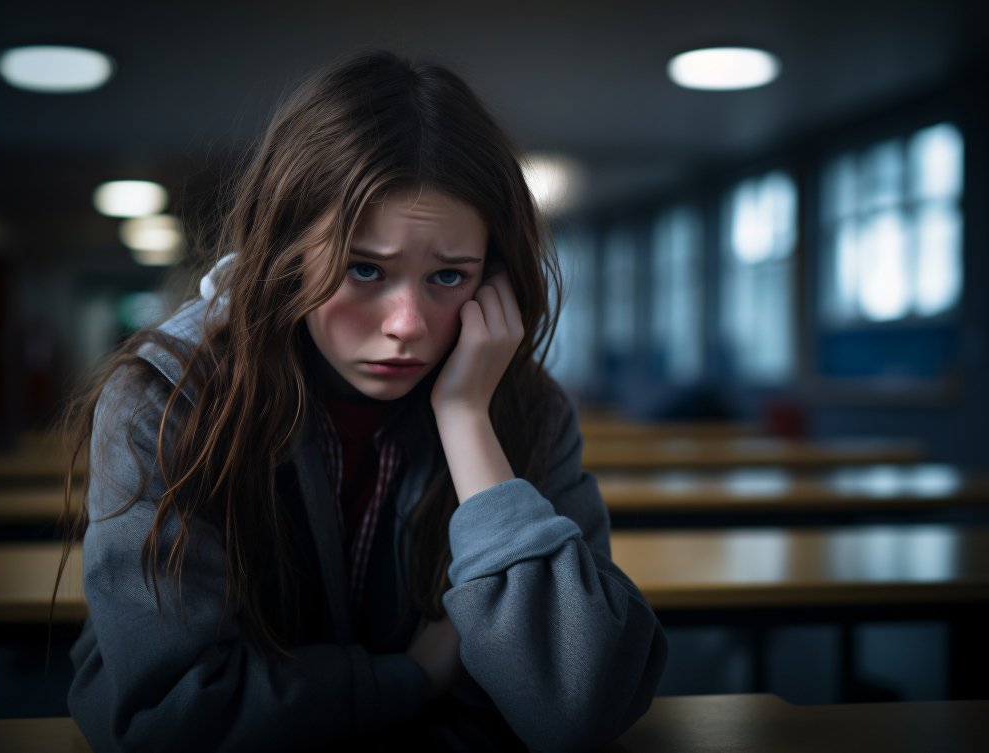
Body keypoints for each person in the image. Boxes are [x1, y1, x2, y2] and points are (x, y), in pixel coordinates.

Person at [58, 49, 667, 752]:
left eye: (448, 275)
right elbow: (171, 718)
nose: (406, 323)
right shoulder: (163, 400)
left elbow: (580, 705)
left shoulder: (524, 407)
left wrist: (467, 418)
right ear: (286, 254)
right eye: (364, 268)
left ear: (491, 279)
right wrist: (410, 678)